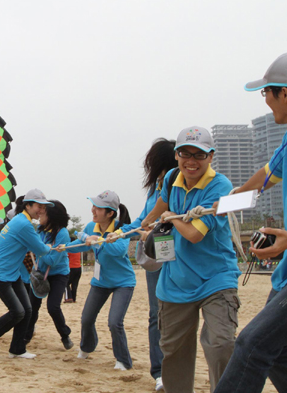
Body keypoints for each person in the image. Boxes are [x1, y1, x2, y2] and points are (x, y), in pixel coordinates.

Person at [214, 52, 287, 393]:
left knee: (252, 343)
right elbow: (267, 175)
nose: (264, 101)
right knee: (274, 351)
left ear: (285, 94)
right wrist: (229, 199)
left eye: (266, 92)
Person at [141, 127, 241, 393]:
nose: (191, 160)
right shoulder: (173, 177)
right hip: (175, 280)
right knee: (173, 351)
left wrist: (172, 217)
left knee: (221, 344)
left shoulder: (220, 185)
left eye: (199, 154)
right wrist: (143, 226)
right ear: (176, 155)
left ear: (211, 157)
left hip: (216, 278)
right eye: (185, 153)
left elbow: (195, 233)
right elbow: (161, 205)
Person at [108, 138, 178, 391]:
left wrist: (144, 227)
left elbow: (158, 218)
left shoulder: (175, 180)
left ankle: (174, 370)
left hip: (176, 253)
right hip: (154, 257)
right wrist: (118, 233)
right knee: (155, 314)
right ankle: (159, 373)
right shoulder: (154, 188)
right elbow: (142, 220)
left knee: (174, 315)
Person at [60, 191, 134, 370]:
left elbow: (118, 251)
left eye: (98, 208)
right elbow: (77, 246)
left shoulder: (122, 229)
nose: (93, 210)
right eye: (93, 206)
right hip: (100, 282)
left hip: (123, 282)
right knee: (86, 318)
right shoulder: (90, 227)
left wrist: (96, 241)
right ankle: (87, 347)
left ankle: (123, 360)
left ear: (110, 213)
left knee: (114, 322)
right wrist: (62, 248)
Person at [0, 189, 53, 359]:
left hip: (11, 272)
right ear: (28, 205)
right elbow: (40, 249)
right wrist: (50, 247)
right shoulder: (23, 224)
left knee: (27, 310)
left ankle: (17, 349)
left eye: (44, 207)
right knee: (18, 312)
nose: (42, 210)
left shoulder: (22, 221)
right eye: (39, 206)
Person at [24, 200, 73, 350]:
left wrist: (40, 249)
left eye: (43, 211)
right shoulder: (39, 230)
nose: (39, 214)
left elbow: (53, 260)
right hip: (39, 273)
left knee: (53, 307)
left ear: (51, 215)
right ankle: (26, 336)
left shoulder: (62, 234)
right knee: (32, 307)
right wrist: (44, 248)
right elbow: (36, 249)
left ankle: (65, 335)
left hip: (58, 274)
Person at [63, 237, 81, 304]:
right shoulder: (78, 250)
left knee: (65, 283)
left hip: (71, 268)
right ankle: (73, 298)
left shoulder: (69, 250)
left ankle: (68, 298)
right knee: (75, 284)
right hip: (79, 267)